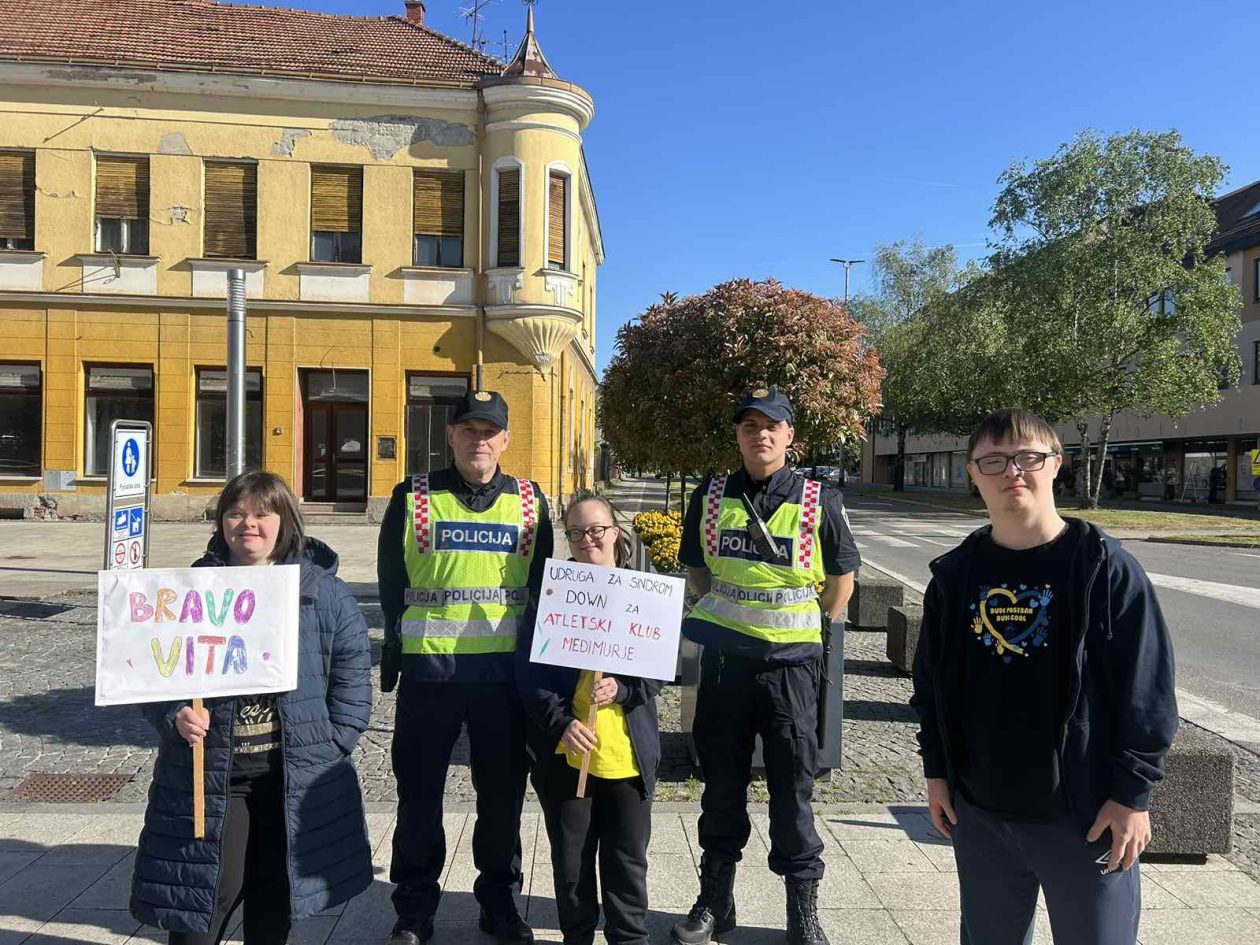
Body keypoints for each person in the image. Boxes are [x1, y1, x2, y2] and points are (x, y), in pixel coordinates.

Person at [910, 408, 1178, 945]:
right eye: (994, 460)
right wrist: (937, 771)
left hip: (1086, 815)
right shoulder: (956, 575)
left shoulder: (1104, 567)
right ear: (972, 473)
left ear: (1056, 464)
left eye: (1027, 457)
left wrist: (1132, 796)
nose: (1013, 471)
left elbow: (1146, 690)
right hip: (981, 813)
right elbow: (933, 683)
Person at [130, 471, 373, 944]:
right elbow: (151, 672)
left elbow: (352, 680)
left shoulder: (324, 593)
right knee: (207, 898)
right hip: (215, 772)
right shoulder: (190, 590)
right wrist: (175, 713)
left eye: (263, 513)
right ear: (222, 521)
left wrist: (332, 741)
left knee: (274, 896)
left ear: (285, 521)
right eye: (236, 513)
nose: (249, 524)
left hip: (291, 772)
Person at [673, 388, 860, 945]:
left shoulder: (817, 498)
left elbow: (841, 582)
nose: (760, 434)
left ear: (789, 436)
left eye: (771, 425)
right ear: (737, 435)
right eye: (749, 425)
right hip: (727, 667)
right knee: (721, 788)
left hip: (791, 672)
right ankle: (715, 901)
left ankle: (802, 913)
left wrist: (796, 629)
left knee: (792, 790)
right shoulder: (708, 497)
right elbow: (697, 572)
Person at [378, 389, 554, 945]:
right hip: (431, 675)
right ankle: (414, 910)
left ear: (505, 439)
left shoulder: (532, 502)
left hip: (505, 680)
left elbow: (545, 587)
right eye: (469, 430)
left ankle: (498, 904)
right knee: (419, 797)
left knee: (501, 799)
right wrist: (395, 655)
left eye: (490, 431)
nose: (480, 440)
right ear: (450, 435)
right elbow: (389, 585)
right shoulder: (412, 496)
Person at [517, 494, 663, 945]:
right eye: (576, 532)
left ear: (615, 532)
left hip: (626, 755)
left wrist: (623, 688)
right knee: (573, 863)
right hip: (568, 753)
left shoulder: (642, 591)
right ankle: (576, 936)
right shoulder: (554, 592)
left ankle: (628, 938)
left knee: (626, 862)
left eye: (596, 530)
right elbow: (529, 675)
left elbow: (659, 670)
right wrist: (561, 723)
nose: (587, 540)